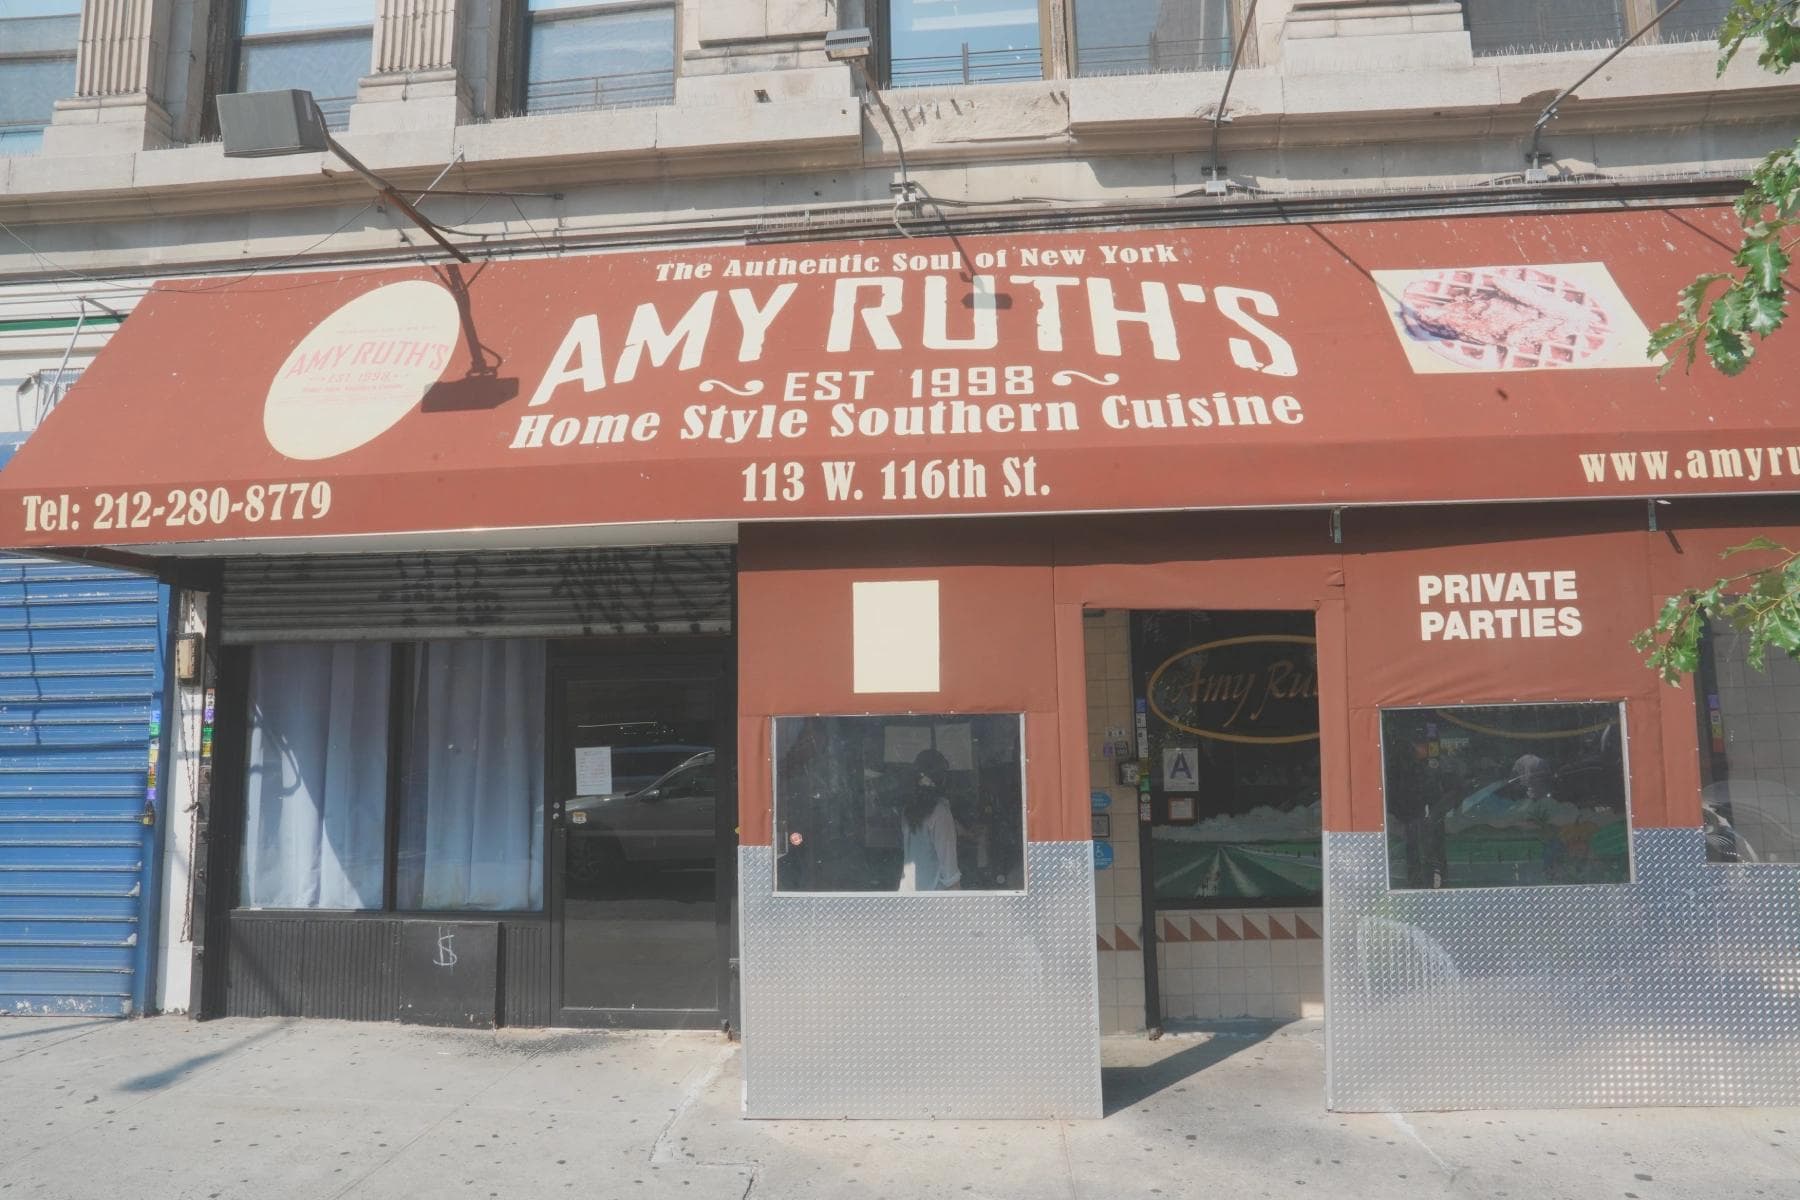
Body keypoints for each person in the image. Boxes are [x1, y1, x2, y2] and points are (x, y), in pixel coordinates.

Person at [898, 748, 961, 892]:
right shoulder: (940, 813)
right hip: (933, 896)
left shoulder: (908, 811)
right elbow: (949, 870)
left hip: (908, 891)